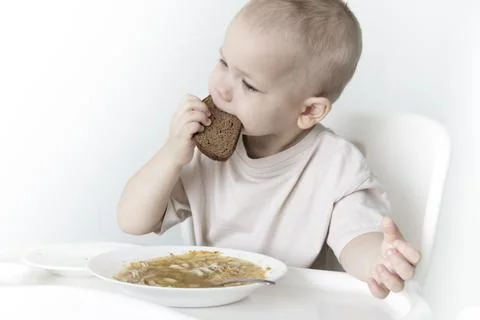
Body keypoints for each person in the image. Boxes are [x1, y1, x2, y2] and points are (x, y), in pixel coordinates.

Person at [117, 0, 421, 299]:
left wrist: (379, 261)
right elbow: (132, 221)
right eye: (224, 63)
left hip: (293, 307)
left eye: (248, 85)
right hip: (212, 303)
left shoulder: (336, 166)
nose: (222, 87)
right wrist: (171, 155)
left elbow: (356, 239)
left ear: (310, 111)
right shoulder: (203, 150)